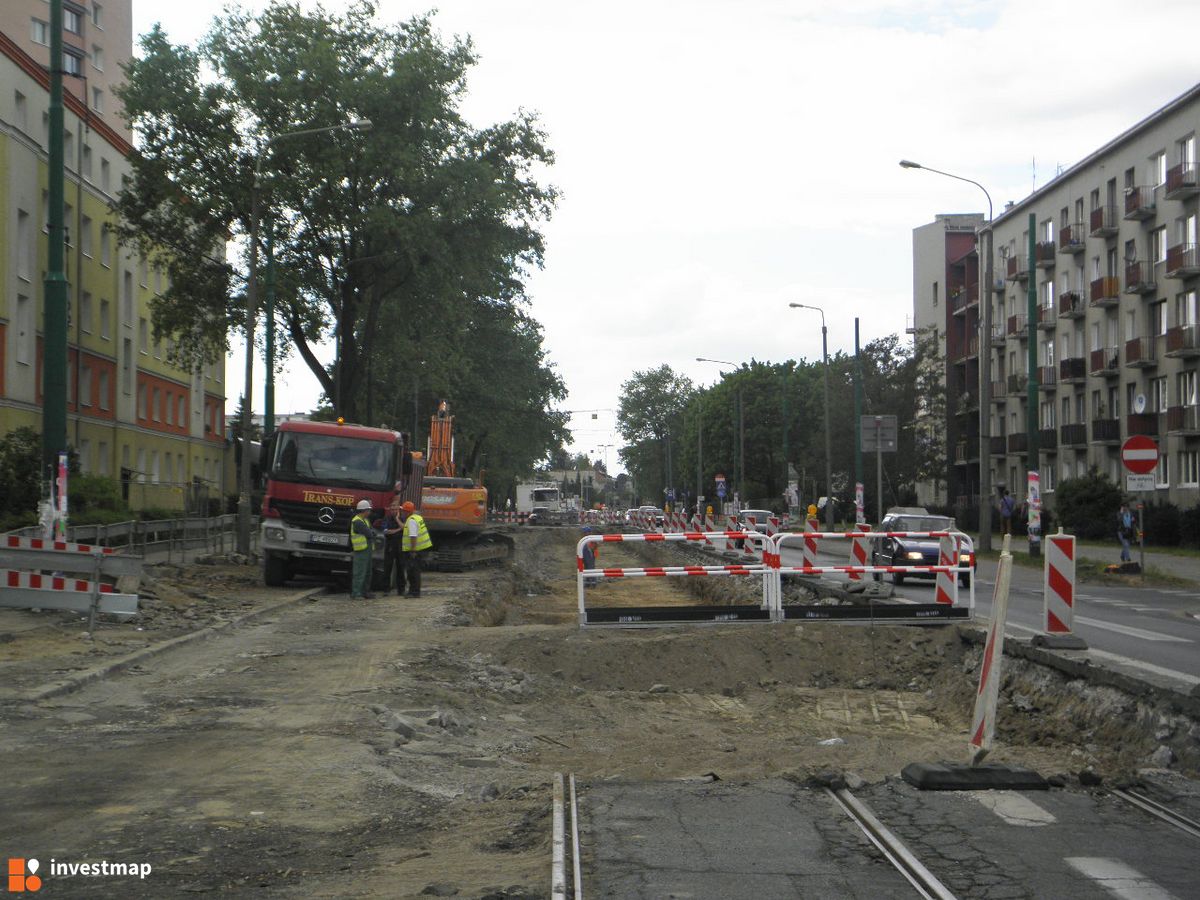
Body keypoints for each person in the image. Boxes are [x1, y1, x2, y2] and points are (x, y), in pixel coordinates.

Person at [399, 500, 433, 597]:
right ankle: (415, 591)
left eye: (403, 511)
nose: (402, 513)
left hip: (415, 550)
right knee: (415, 571)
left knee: (412, 571)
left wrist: (413, 550)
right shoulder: (417, 517)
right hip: (420, 548)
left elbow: (413, 536)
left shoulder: (411, 521)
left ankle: (414, 592)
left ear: (407, 512)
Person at [349, 499, 376, 600]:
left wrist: (372, 533)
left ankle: (365, 592)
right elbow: (370, 533)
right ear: (364, 510)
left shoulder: (364, 520)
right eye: (368, 510)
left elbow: (371, 532)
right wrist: (372, 533)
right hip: (361, 550)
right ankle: (356, 593)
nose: (369, 512)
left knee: (367, 572)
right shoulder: (358, 522)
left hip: (366, 549)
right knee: (360, 572)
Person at [381, 502, 405, 596]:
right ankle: (386, 590)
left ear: (398, 510)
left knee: (401, 568)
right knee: (387, 568)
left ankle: (401, 589)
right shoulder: (386, 518)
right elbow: (386, 532)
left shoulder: (402, 518)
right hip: (390, 545)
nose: (394, 511)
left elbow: (404, 527)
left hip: (400, 545)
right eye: (392, 509)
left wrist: (397, 519)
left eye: (396, 509)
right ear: (390, 510)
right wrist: (398, 530)